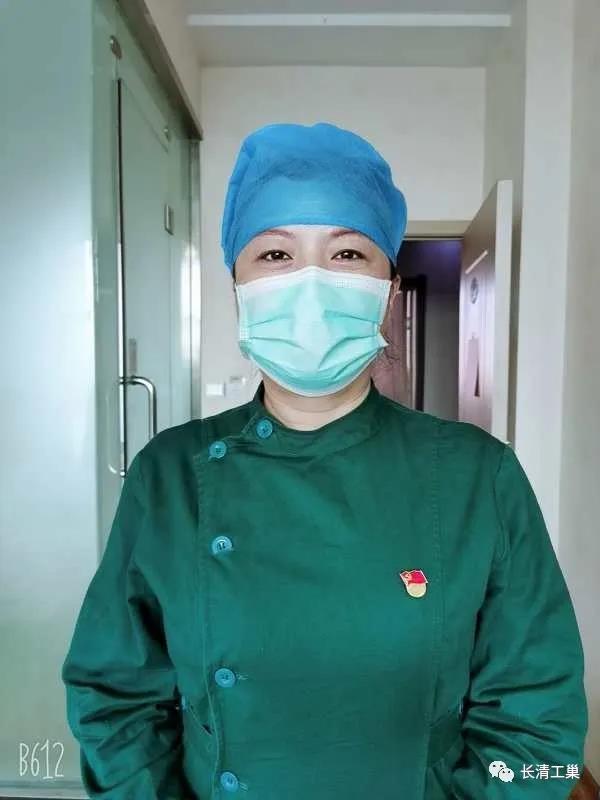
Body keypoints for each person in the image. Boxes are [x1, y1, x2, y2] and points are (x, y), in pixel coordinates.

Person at [61, 122, 588, 799]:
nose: (310, 283)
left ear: (388, 292)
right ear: (237, 287)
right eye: (276, 254)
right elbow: (113, 698)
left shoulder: (477, 476)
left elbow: (540, 728)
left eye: (346, 253)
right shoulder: (170, 474)